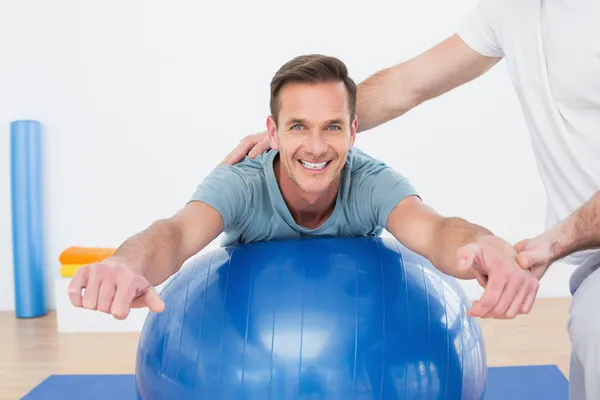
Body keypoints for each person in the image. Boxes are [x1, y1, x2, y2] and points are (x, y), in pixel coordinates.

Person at [222, 1, 600, 398]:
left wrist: (556, 241)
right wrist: (311, 133)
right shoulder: (512, 11)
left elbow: (435, 229)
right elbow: (407, 85)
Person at [68, 54, 538, 331]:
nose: (316, 147)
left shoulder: (371, 181)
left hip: (360, 333)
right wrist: (126, 264)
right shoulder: (241, 182)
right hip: (247, 337)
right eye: (298, 126)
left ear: (354, 131)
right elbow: (174, 233)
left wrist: (481, 243)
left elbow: (435, 230)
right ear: (272, 131)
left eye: (332, 126)